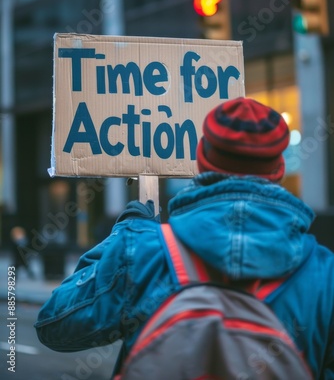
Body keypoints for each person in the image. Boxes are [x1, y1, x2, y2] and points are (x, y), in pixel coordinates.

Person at [35, 97, 334, 379]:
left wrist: (124, 235)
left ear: (202, 161)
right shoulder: (325, 273)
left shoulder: (142, 248)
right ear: (279, 170)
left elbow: (54, 324)